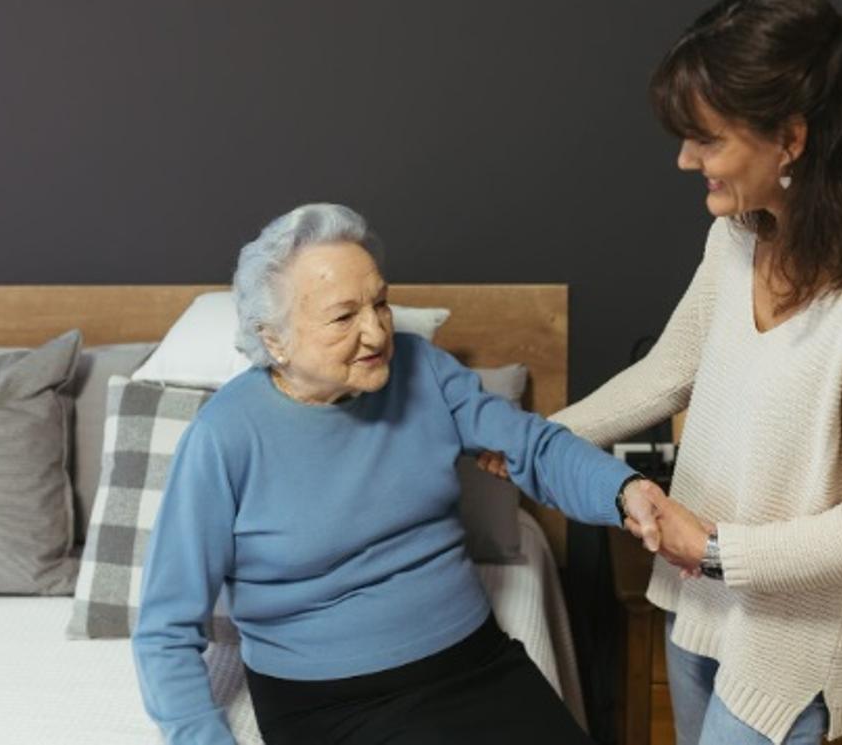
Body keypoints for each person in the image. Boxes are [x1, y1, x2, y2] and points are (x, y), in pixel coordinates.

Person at [479, 0, 842, 744]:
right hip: (701, 604)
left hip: (788, 641)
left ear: (791, 138)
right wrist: (538, 437)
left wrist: (714, 549)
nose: (684, 159)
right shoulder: (740, 235)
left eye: (707, 138)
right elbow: (671, 368)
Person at [131, 203, 664, 745]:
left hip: (473, 665)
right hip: (328, 704)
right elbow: (163, 630)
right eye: (344, 317)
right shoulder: (223, 436)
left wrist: (624, 492)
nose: (376, 332)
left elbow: (535, 447)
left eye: (380, 303)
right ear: (274, 340)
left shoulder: (424, 369)